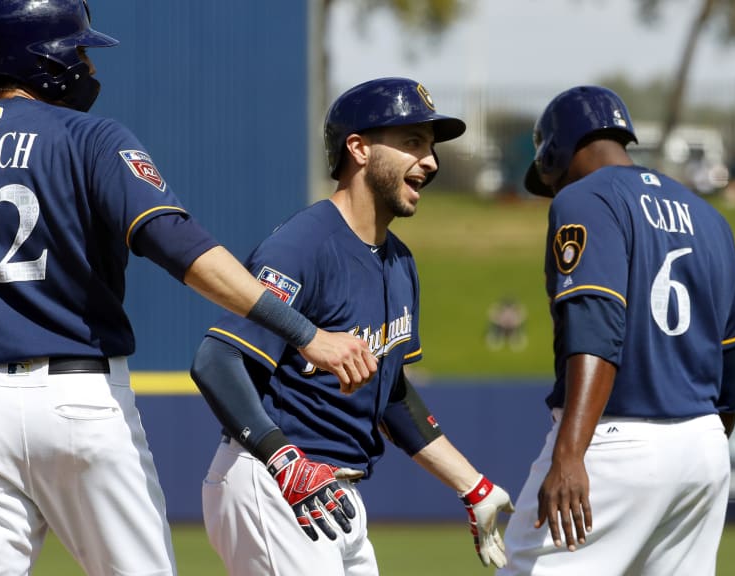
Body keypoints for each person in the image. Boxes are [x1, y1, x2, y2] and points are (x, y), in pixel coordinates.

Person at [0, 2, 376, 575]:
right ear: (46, 60)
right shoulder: (90, 137)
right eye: (78, 52)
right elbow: (177, 245)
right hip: (80, 401)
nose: (89, 67)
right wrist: (305, 332)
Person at [189, 77, 515, 576]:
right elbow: (217, 358)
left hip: (337, 493)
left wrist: (472, 485)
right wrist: (285, 463)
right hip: (275, 481)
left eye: (430, 146)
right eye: (412, 143)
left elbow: (392, 395)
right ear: (358, 148)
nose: (430, 161)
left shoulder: (399, 261)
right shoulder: (303, 245)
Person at [498, 86, 735, 576]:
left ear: (555, 152)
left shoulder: (584, 199)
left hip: (614, 441)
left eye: (549, 177)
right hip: (703, 447)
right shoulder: (708, 216)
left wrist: (571, 453)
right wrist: (699, 443)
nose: (551, 189)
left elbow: (595, 325)